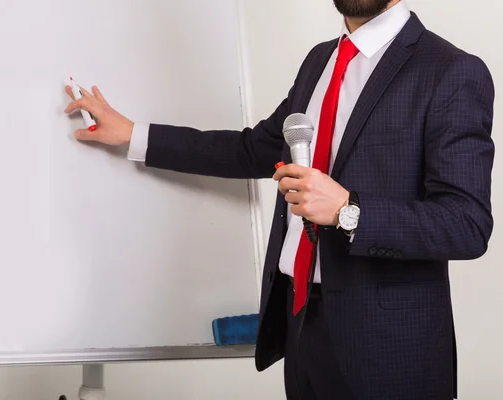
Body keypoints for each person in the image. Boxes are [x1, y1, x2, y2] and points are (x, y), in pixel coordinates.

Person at [64, 0, 495, 398]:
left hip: (389, 345)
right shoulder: (319, 61)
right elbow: (254, 150)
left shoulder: (451, 70)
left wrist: (350, 212)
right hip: (302, 318)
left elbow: (466, 224)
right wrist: (134, 134)